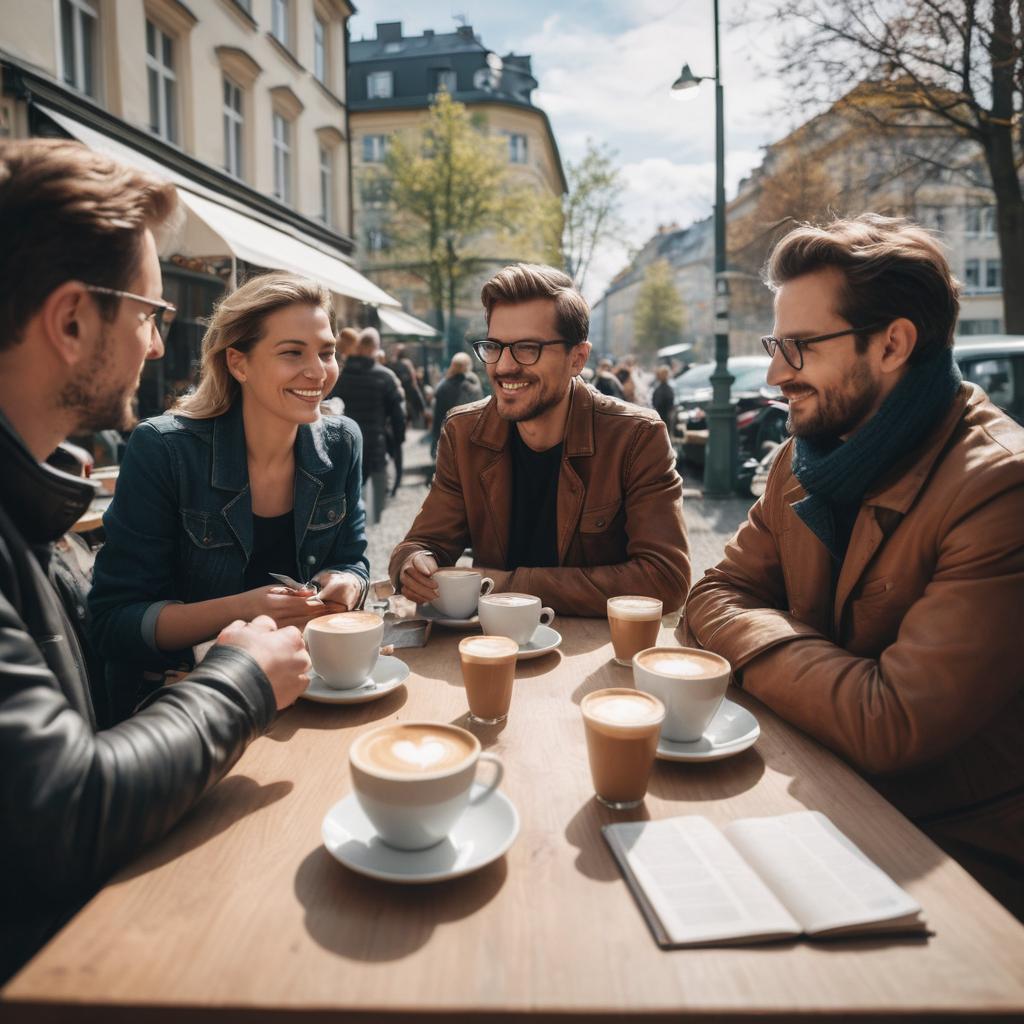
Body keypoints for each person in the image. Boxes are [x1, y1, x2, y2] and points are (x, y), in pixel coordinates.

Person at [0, 138, 310, 982]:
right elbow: (62, 813)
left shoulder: (34, 502)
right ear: (70, 321)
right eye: (148, 313)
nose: (153, 344)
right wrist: (241, 673)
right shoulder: (155, 455)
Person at [679, 214, 1024, 917]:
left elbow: (890, 722)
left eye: (800, 347)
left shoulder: (999, 486)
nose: (776, 374)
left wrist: (753, 639)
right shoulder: (802, 460)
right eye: (778, 345)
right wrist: (812, 666)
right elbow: (712, 592)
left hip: (953, 860)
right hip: (817, 792)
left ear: (894, 343)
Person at [89, 272, 369, 719]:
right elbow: (115, 622)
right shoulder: (164, 449)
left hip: (308, 694)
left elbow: (352, 560)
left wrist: (348, 586)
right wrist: (243, 609)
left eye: (327, 351)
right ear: (239, 364)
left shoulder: (342, 442)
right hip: (180, 709)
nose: (318, 371)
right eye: (292, 352)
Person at [390, 263, 690, 617]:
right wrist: (413, 563)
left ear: (577, 358)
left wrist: (508, 586)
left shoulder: (636, 436)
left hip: (592, 654)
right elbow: (423, 543)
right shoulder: (465, 431)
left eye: (527, 348)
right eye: (494, 347)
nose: (503, 367)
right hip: (491, 645)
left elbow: (666, 579)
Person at [331, 326, 405, 524]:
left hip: (346, 440)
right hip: (376, 441)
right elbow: (398, 415)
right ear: (375, 348)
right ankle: (373, 521)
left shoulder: (341, 376)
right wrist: (398, 440)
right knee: (378, 485)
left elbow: (330, 405)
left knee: (351, 486)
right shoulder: (385, 376)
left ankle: (354, 522)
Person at [430, 351, 483, 458]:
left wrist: (434, 442)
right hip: (471, 439)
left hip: (449, 439)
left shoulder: (443, 387)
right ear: (468, 367)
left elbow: (438, 418)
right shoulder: (474, 386)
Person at [388, 342, 428, 428]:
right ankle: (423, 412)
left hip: (401, 389)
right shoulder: (404, 363)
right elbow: (413, 378)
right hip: (404, 390)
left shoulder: (396, 362)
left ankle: (423, 412)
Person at [651, 365, 675, 429]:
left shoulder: (657, 390)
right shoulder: (669, 389)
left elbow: (654, 403)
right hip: (667, 417)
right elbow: (671, 405)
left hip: (658, 417)